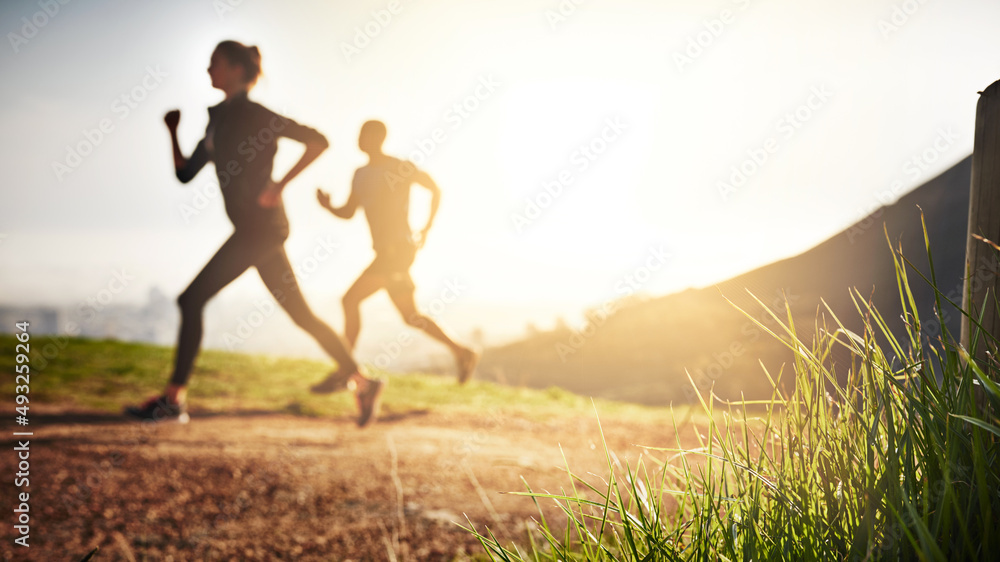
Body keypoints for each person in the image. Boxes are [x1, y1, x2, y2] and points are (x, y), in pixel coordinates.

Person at [125, 41, 383, 427]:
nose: (207, 70)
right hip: (254, 232)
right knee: (302, 315)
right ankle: (363, 382)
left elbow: (318, 141)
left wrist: (280, 185)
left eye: (214, 63)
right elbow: (184, 173)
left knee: (190, 300)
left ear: (234, 69)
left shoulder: (256, 115)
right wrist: (173, 132)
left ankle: (173, 400)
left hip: (261, 230)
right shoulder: (217, 120)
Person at [310, 120, 479, 392]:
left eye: (366, 135)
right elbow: (349, 211)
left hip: (398, 251)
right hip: (385, 253)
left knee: (350, 300)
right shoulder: (360, 174)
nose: (361, 140)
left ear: (380, 138)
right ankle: (462, 352)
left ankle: (346, 371)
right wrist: (329, 206)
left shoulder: (400, 167)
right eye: (360, 134)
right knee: (410, 316)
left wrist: (426, 228)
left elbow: (435, 189)